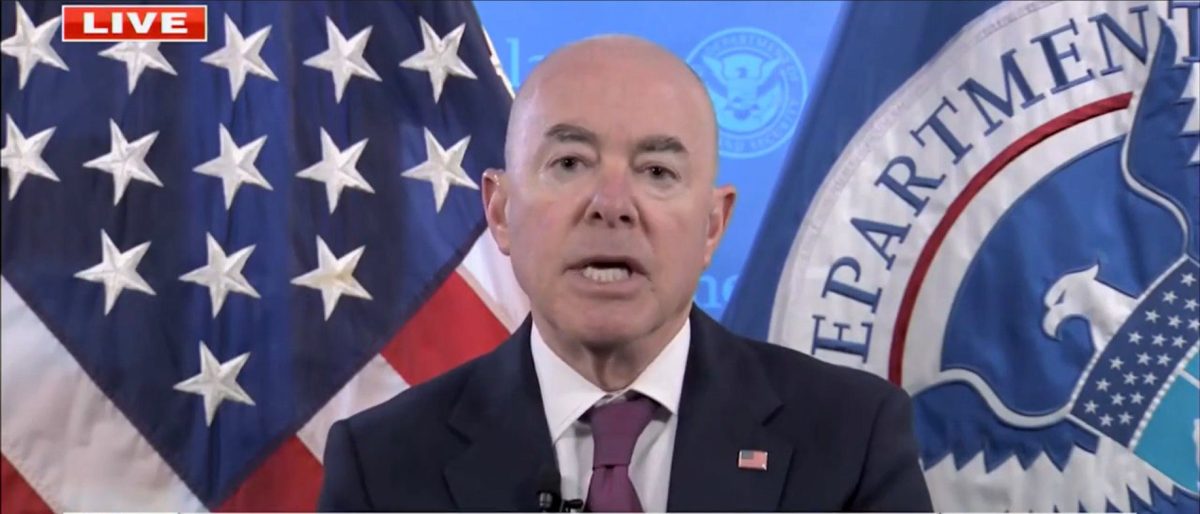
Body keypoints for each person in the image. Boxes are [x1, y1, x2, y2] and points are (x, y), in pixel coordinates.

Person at [318, 35, 933, 512]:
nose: (611, 204)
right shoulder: (383, 466)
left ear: (712, 226)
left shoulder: (850, 438)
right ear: (501, 213)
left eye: (657, 172)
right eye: (569, 162)